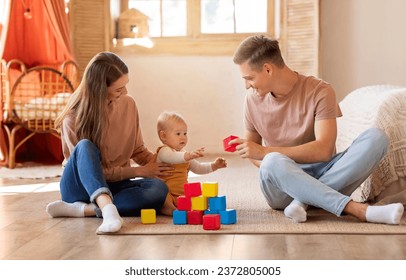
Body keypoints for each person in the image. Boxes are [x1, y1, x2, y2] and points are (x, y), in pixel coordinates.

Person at [229, 35, 404, 224]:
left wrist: (265, 151)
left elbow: (324, 150)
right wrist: (263, 156)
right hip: (281, 186)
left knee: (376, 138)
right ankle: (356, 209)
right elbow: (254, 153)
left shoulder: (320, 90)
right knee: (271, 162)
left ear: (268, 69)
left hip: (324, 171)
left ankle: (302, 201)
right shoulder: (252, 99)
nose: (247, 85)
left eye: (249, 78)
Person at [46, 52, 172, 234]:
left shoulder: (128, 105)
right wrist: (138, 171)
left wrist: (165, 165)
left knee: (158, 189)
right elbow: (87, 173)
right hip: (80, 188)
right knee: (85, 146)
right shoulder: (72, 118)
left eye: (125, 86)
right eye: (119, 89)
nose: (125, 93)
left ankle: (85, 210)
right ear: (99, 89)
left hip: (115, 186)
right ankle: (108, 209)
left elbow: (138, 150)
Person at [156, 111, 227, 215]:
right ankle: (169, 209)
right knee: (161, 194)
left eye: (185, 133)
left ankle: (188, 206)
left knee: (200, 197)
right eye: (178, 133)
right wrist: (189, 156)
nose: (183, 137)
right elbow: (172, 158)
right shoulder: (164, 151)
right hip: (168, 194)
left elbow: (198, 168)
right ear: (163, 136)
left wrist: (214, 165)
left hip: (182, 194)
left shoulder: (184, 154)